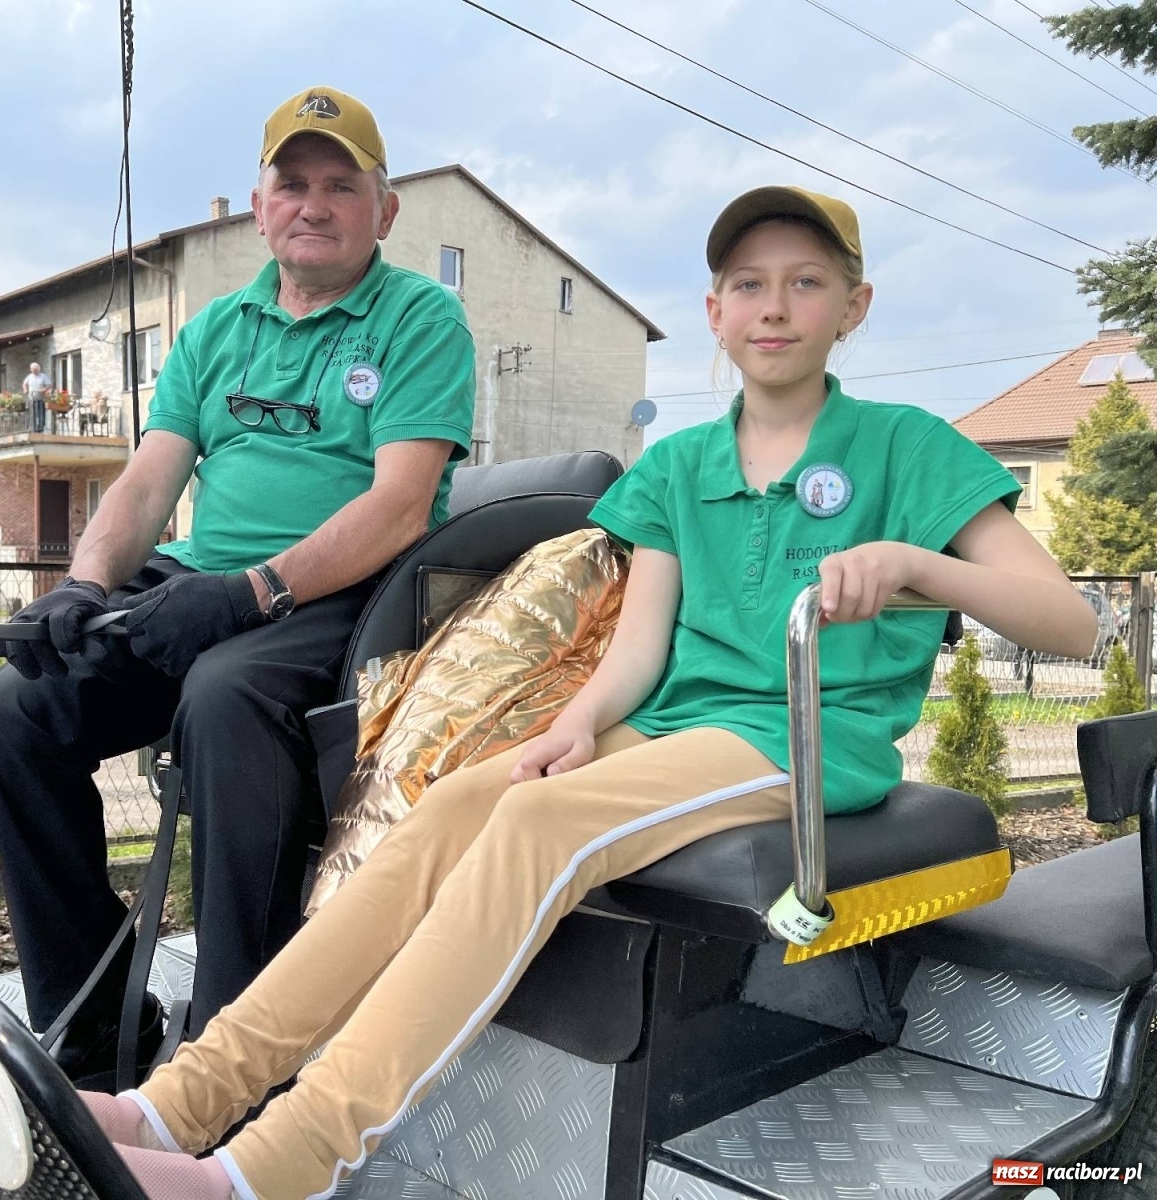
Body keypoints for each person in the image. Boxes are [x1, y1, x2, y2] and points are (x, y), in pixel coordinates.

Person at [73, 186, 1100, 1199]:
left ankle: (274, 1165)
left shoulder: (905, 447)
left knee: (539, 823)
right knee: (456, 806)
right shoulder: (680, 464)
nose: (774, 308)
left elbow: (1069, 622)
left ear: (853, 306)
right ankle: (180, 1101)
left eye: (804, 283)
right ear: (714, 312)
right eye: (747, 285)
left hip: (800, 736)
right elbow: (639, 648)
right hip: (663, 729)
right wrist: (572, 724)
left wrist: (915, 567)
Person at [0, 85, 476, 1079]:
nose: (314, 205)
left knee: (225, 695)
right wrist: (81, 587)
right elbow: (149, 482)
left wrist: (253, 595)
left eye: (341, 185)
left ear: (386, 209)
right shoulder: (214, 331)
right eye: (293, 185)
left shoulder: (420, 320)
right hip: (202, 582)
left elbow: (401, 506)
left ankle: (238, 1047)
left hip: (351, 596)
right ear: (258, 204)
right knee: (13, 713)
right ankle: (94, 1005)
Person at [23, 361, 53, 432]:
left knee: (41, 414)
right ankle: (33, 428)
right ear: (31, 370)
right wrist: (25, 389)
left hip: (40, 399)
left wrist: (44, 389)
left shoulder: (43, 376)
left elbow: (49, 385)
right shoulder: (29, 376)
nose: (34, 371)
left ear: (39, 369)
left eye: (36, 370)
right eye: (33, 370)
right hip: (32, 398)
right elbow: (24, 384)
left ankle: (40, 428)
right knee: (32, 413)